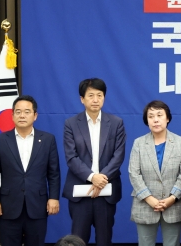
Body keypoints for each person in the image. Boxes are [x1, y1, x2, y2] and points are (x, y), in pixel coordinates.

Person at [0, 95, 61, 246]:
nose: (22, 115)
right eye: (18, 112)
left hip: (37, 205)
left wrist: (54, 197)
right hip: (8, 206)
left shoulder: (48, 139)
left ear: (35, 115)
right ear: (12, 115)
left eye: (27, 112)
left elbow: (54, 173)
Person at [62, 78, 126, 246]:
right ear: (82, 99)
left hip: (106, 191)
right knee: (77, 240)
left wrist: (101, 179)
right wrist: (92, 177)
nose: (96, 99)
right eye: (91, 95)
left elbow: (118, 156)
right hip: (80, 192)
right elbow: (71, 157)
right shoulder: (71, 124)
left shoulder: (116, 123)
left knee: (104, 240)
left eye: (100, 95)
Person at [129, 100, 181, 246]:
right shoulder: (138, 143)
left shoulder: (180, 142)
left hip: (174, 205)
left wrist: (171, 198)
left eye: (159, 115)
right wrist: (149, 198)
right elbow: (134, 173)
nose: (155, 119)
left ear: (167, 118)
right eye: (151, 116)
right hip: (145, 205)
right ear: (147, 120)